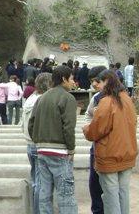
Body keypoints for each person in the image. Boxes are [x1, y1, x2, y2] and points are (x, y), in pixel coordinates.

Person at [83, 70, 138, 214]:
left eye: (99, 82)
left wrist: (86, 129)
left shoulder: (106, 102)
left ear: (107, 81)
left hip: (109, 155)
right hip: (127, 152)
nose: (97, 85)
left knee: (111, 195)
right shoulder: (127, 99)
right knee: (123, 193)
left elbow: (96, 130)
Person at [28, 65, 78, 214]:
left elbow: (31, 124)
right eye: (71, 78)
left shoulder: (41, 98)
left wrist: (38, 141)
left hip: (42, 151)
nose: (73, 82)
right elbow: (68, 127)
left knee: (44, 193)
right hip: (60, 152)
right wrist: (71, 148)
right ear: (64, 79)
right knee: (65, 194)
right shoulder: (68, 98)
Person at [21, 72, 52, 214]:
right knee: (41, 183)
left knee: (35, 181)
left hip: (29, 144)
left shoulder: (30, 98)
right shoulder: (43, 100)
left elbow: (22, 125)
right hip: (38, 144)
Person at [83, 65, 108, 214]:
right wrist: (90, 127)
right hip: (96, 146)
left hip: (111, 147)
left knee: (111, 186)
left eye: (96, 81)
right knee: (94, 183)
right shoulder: (96, 98)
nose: (93, 84)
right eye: (92, 81)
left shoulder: (119, 97)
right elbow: (88, 115)